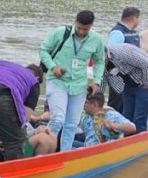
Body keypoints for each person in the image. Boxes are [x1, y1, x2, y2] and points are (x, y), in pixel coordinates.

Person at [39, 10, 105, 151]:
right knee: (57, 119)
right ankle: (43, 150)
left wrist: (96, 81)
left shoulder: (96, 39)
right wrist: (53, 66)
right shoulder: (61, 32)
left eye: (85, 29)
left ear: (91, 26)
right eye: (79, 28)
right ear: (75, 22)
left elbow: (99, 61)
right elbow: (43, 50)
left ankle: (65, 153)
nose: (81, 32)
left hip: (79, 85)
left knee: (71, 125)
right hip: (57, 81)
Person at [0, 62, 44, 161]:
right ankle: (14, 169)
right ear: (38, 79)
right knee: (15, 140)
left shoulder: (10, 68)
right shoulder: (33, 82)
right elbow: (24, 118)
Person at [105, 43, 148, 134]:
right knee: (126, 116)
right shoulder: (101, 62)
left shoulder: (122, 53)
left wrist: (146, 83)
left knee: (139, 118)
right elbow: (103, 81)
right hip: (129, 82)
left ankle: (140, 140)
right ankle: (127, 139)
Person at [105, 7, 141, 112]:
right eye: (138, 19)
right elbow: (108, 54)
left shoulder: (132, 33)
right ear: (134, 18)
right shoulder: (118, 33)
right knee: (116, 105)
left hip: (130, 77)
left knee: (127, 106)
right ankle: (110, 121)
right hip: (119, 76)